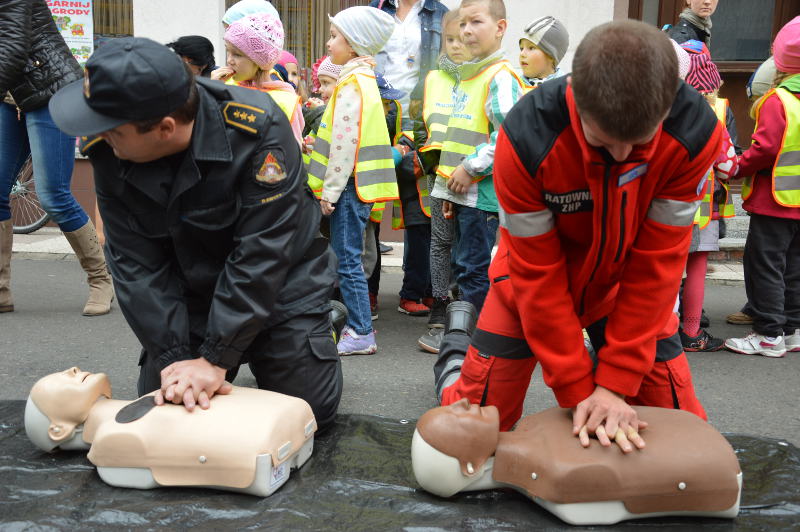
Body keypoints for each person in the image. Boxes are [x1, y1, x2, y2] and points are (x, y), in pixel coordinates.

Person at [434, 20, 724, 445]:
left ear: (667, 108)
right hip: (524, 288)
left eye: (640, 143)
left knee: (685, 434)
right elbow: (538, 273)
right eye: (604, 143)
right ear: (577, 101)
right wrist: (578, 389)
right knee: (464, 435)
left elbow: (658, 265)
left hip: (625, 287)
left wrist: (614, 385)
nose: (623, 157)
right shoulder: (526, 137)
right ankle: (455, 352)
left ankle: (591, 362)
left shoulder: (696, 133)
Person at [48, 37, 342, 431]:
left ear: (165, 128)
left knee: (310, 416)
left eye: (114, 131)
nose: (97, 139)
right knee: (166, 415)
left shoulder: (257, 130)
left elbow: (262, 253)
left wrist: (216, 359)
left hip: (283, 284)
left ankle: (316, 324)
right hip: (191, 290)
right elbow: (135, 264)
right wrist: (175, 362)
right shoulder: (111, 146)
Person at [411, 399, 742, 525]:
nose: (463, 402)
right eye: (452, 420)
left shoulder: (537, 428)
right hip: (711, 463)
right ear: (470, 467)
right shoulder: (556, 476)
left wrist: (612, 385)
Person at [25, 368, 317, 497]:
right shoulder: (113, 439)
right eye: (59, 382)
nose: (73, 369)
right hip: (271, 437)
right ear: (58, 429)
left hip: (278, 427)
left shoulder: (148, 402)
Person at [0, 0, 113, 316]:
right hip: (10, 97)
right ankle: (1, 291)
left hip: (48, 88)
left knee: (53, 195)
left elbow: (12, 47)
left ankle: (101, 280)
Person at [306, 7, 399, 355]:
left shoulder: (350, 85)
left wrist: (328, 190)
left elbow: (345, 144)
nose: (329, 42)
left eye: (334, 36)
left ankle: (361, 331)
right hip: (355, 184)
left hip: (348, 186)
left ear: (355, 43)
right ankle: (358, 328)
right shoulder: (363, 80)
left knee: (346, 259)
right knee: (348, 257)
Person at [433, 0, 524, 314]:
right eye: (463, 24)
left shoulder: (500, 76)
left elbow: (509, 136)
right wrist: (450, 189)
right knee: (464, 267)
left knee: (473, 270)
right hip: (461, 194)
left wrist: (470, 169)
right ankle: (466, 337)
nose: (467, 31)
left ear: (500, 28)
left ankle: (476, 344)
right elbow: (459, 138)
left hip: (480, 195)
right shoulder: (469, 75)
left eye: (476, 22)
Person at [724, 17, 800, 358]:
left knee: (765, 265)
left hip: (775, 202)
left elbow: (765, 149)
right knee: (795, 267)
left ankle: (768, 334)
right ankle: (792, 329)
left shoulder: (777, 100)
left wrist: (738, 166)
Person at [416, 9, 471, 353]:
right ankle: (439, 304)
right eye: (449, 39)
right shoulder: (435, 77)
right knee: (440, 242)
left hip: (476, 178)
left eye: (461, 39)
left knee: (469, 246)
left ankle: (464, 308)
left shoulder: (488, 75)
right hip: (441, 172)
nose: (455, 46)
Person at [679, 49, 738, 352]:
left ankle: (661, 331)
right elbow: (729, 168)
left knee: (667, 271)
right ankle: (691, 332)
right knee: (697, 269)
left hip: (667, 212)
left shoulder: (666, 116)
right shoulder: (713, 122)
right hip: (702, 212)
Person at [212, 13, 304, 145]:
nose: (229, 60)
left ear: (261, 61)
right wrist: (212, 92)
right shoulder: (226, 86)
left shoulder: (285, 100)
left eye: (237, 55)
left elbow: (292, 154)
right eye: (228, 51)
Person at [370, 0, 450, 129]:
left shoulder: (440, 12)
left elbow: (445, 64)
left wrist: (421, 93)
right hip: (377, 108)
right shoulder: (377, 8)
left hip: (416, 112)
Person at [518, 16, 569, 90]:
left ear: (551, 56)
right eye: (522, 48)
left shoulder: (565, 90)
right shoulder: (514, 87)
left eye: (531, 48)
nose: (522, 54)